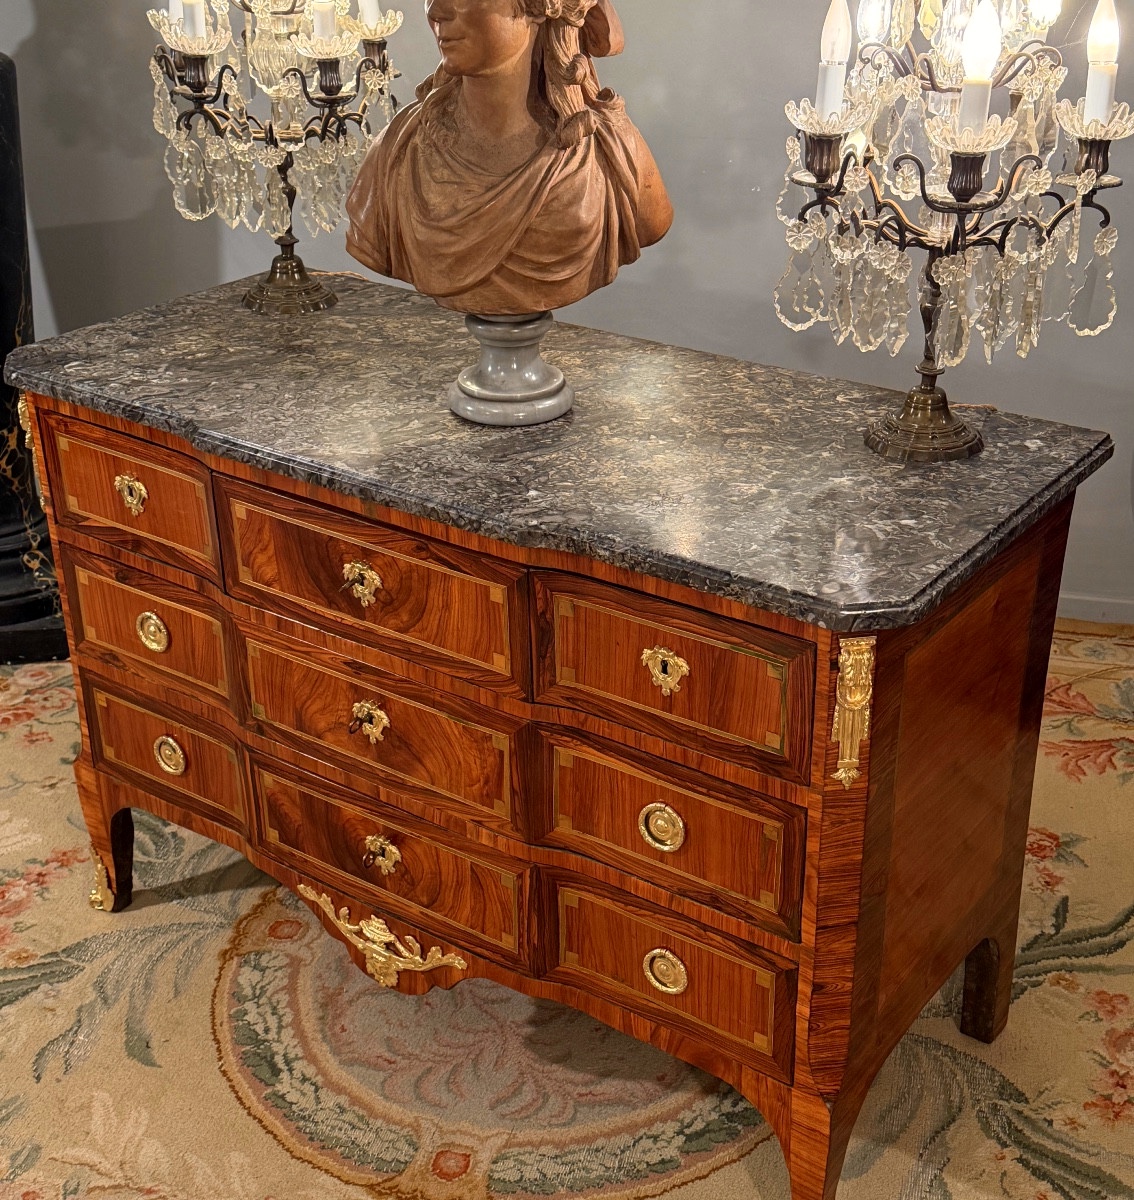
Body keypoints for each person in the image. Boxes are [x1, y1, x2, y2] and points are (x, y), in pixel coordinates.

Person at [345, 0, 674, 315]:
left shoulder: (612, 154)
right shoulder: (398, 151)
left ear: (539, 8)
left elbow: (653, 224)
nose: (436, 10)